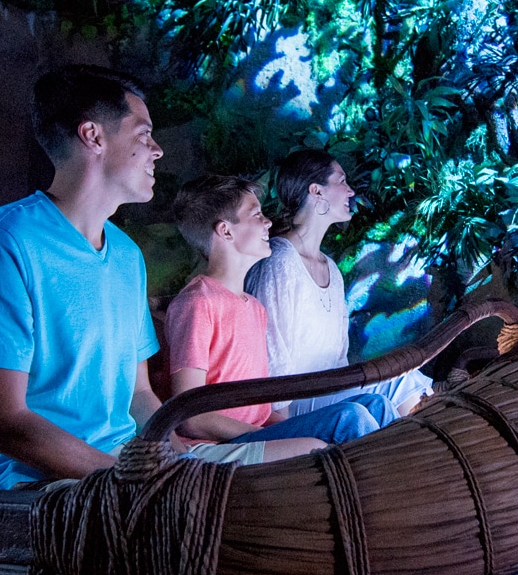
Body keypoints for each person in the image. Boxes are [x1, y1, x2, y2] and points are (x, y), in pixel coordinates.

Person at [0, 65, 320, 490]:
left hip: (132, 464)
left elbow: (139, 396)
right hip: (41, 479)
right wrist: (132, 478)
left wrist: (175, 453)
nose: (157, 150)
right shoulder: (4, 240)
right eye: (143, 135)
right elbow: (2, 424)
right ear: (93, 136)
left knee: (313, 456)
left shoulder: (125, 255)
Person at [167, 174, 393, 460]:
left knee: (377, 405)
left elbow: (263, 410)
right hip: (218, 444)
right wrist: (273, 436)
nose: (268, 222)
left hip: (257, 433)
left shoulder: (254, 308)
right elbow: (189, 416)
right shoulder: (198, 302)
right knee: (349, 419)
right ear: (225, 231)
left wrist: (291, 431)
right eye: (256, 214)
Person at [245, 148, 433, 422]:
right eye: (341, 180)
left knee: (404, 378)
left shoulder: (331, 268)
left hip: (331, 391)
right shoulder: (280, 261)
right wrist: (281, 435)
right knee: (401, 384)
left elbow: (338, 359)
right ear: (316, 191)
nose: (350, 191)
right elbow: (270, 355)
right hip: (291, 404)